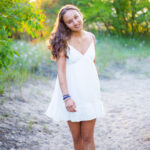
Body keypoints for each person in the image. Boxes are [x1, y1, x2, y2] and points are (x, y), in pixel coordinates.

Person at [45, 4, 106, 150]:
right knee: (77, 139)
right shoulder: (63, 41)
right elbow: (61, 72)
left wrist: (96, 90)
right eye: (69, 21)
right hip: (71, 93)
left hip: (89, 94)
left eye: (76, 17)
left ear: (80, 15)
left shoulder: (91, 37)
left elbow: (93, 63)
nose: (75, 22)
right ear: (65, 25)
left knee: (88, 138)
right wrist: (66, 97)